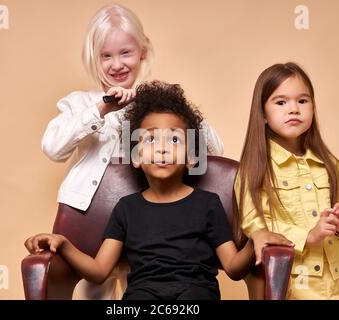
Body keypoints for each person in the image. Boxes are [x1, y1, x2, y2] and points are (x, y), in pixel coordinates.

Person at [26, 81, 293, 300]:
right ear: (136, 157)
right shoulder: (127, 208)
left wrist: (256, 239)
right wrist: (63, 245)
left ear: (192, 157)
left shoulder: (208, 204)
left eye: (175, 139)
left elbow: (234, 268)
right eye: (151, 139)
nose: (163, 148)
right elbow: (99, 270)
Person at [40, 4, 224, 299]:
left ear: (143, 51)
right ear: (93, 57)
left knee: (142, 291)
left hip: (149, 225)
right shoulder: (79, 104)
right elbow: (52, 148)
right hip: (91, 222)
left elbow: (214, 151)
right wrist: (102, 108)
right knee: (94, 293)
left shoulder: (156, 107)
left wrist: (168, 103)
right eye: (106, 56)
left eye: (125, 53)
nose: (116, 65)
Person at [235, 62, 339, 299]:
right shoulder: (256, 168)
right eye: (281, 102)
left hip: (337, 289)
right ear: (263, 113)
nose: (293, 109)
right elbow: (255, 224)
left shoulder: (329, 164)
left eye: (302, 101)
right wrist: (308, 236)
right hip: (295, 289)